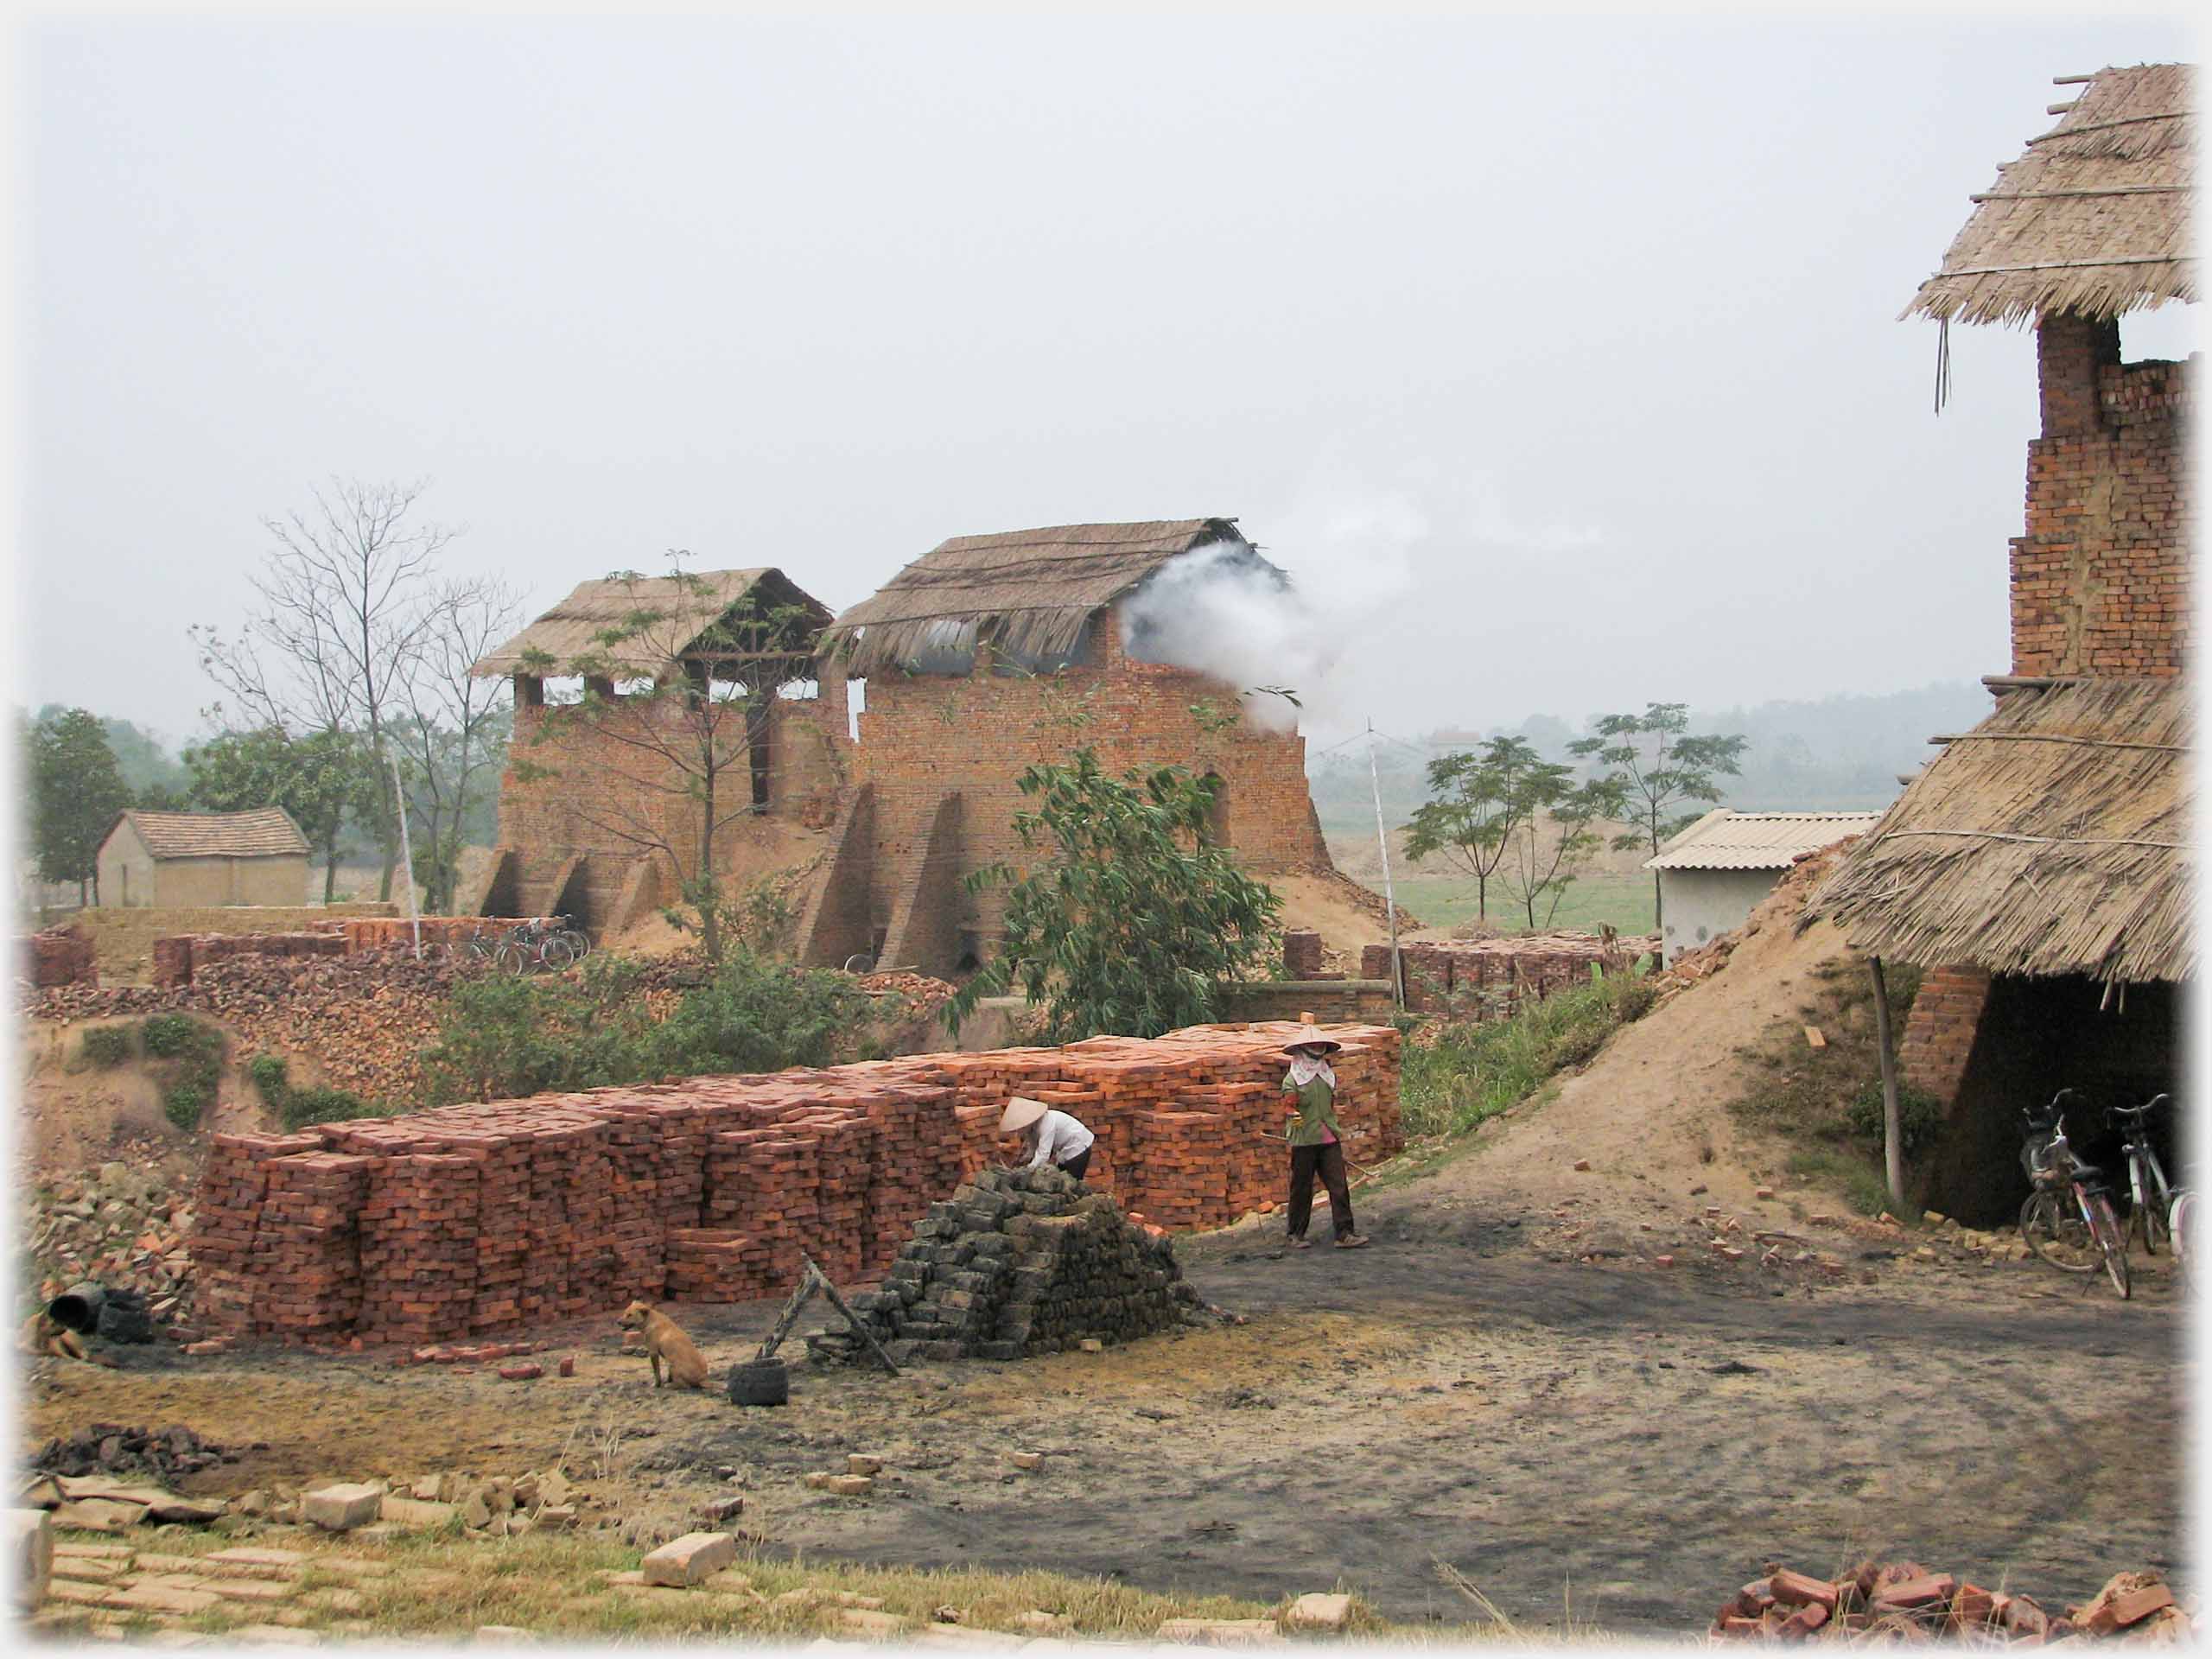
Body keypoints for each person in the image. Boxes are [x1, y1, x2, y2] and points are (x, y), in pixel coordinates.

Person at [1281, 1031, 1367, 1249]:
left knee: (1339, 1186)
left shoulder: (1327, 1076)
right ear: (1302, 1050)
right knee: (1302, 1188)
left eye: (1320, 1045)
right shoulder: (1293, 1080)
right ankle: (1295, 1234)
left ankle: (1345, 1233)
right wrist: (1294, 1117)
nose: (1318, 1048)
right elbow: (1288, 1107)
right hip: (1304, 1140)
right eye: (1313, 1045)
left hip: (1328, 1138)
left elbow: (1329, 1106)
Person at [1000, 1096, 1096, 1181]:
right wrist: (1022, 1161)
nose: (1018, 1133)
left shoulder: (1046, 1123)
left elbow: (1044, 1154)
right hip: (1063, 1150)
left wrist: (1027, 1171)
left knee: (1072, 1182)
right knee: (1061, 1178)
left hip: (1078, 1146)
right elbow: (1033, 1148)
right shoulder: (1031, 1129)